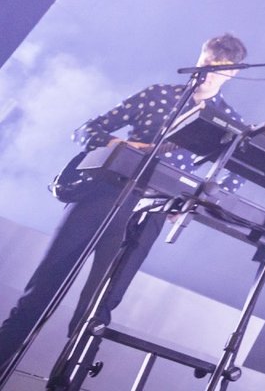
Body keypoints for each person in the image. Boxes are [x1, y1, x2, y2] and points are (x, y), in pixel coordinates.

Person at [0, 33, 249, 379]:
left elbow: (232, 180)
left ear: (233, 74)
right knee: (43, 287)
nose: (208, 74)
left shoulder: (227, 121)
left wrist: (190, 202)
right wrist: (128, 144)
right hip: (104, 193)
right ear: (200, 57)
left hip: (150, 212)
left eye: (219, 70)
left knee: (97, 309)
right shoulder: (160, 94)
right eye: (206, 64)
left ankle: (64, 382)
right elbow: (88, 130)